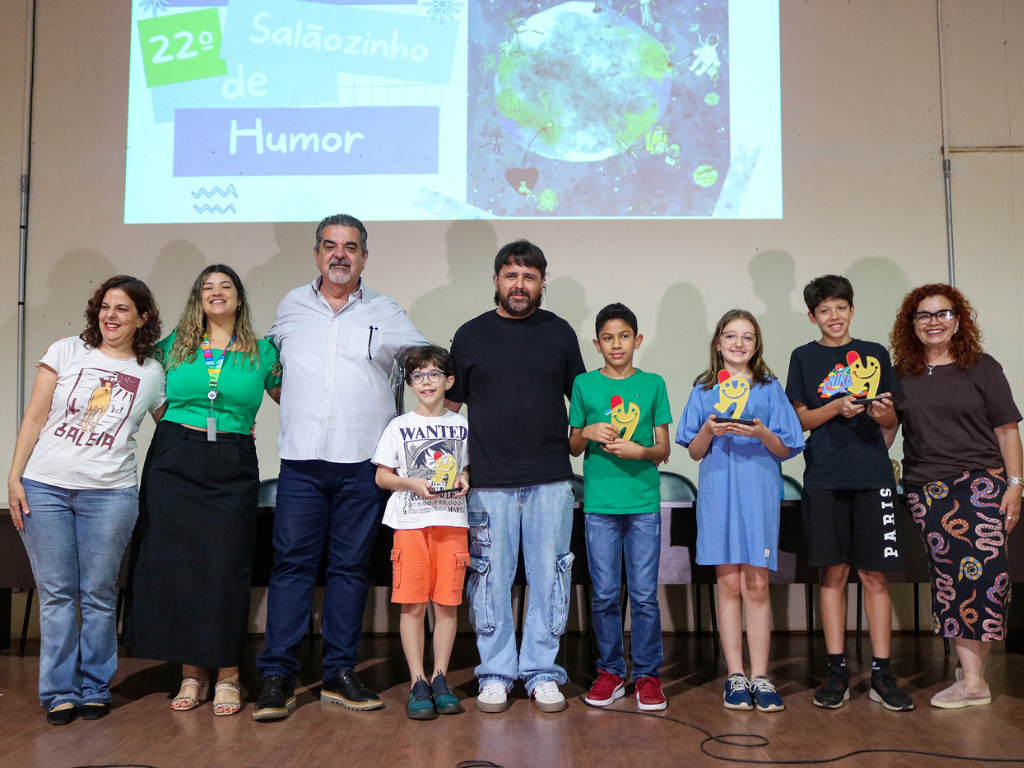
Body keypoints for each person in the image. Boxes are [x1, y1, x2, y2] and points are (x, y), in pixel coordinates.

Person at [253, 214, 427, 721]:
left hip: (361, 465)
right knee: (292, 567)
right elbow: (271, 368)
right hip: (301, 463)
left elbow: (425, 366)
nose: (339, 255)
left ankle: (339, 673)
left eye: (350, 247)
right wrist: (293, 403)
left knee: (350, 569)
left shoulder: (387, 312)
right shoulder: (291, 305)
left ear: (364, 258)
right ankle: (278, 676)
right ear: (316, 254)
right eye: (330, 245)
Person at [123, 265, 281, 716]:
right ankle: (191, 674)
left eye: (225, 286)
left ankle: (228, 674)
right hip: (175, 460)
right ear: (198, 298)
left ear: (239, 298)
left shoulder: (263, 353)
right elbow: (130, 375)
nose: (216, 292)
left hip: (232, 460)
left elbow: (297, 401)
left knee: (225, 568)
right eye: (207, 287)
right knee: (181, 567)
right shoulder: (171, 347)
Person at [7, 276, 165, 725]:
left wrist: (230, 423)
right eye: (105, 307)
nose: (110, 316)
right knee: (56, 594)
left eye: (122, 309)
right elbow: (34, 416)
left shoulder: (152, 372)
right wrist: (14, 477)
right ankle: (60, 691)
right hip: (45, 487)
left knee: (97, 593)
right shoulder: (65, 351)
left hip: (111, 494)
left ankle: (95, 687)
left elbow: (175, 423)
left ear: (142, 318)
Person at [447, 239, 586, 713]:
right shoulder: (470, 335)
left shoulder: (560, 332)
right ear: (496, 281)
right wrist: (455, 466)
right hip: (488, 483)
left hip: (551, 479)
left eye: (529, 276)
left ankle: (543, 672)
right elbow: (450, 410)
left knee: (550, 578)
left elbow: (581, 403)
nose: (520, 285)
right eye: (511, 275)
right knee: (489, 579)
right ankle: (496, 673)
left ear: (543, 283)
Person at [784, 275, 913, 711]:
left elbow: (893, 423)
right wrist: (836, 407)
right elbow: (800, 420)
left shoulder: (876, 353)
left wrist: (883, 413)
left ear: (852, 310)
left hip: (873, 477)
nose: (834, 316)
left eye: (841, 307)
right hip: (824, 478)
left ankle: (882, 673)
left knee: (875, 576)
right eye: (825, 310)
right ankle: (836, 671)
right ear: (812, 316)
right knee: (833, 574)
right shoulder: (803, 357)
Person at [889, 284, 1021, 709]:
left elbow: (1007, 431)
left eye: (943, 313)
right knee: (951, 581)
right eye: (924, 315)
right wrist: (875, 417)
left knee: (987, 579)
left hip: (983, 485)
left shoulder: (982, 367)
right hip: (928, 491)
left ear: (958, 320)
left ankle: (973, 681)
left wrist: (1016, 485)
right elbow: (888, 434)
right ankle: (973, 677)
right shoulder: (901, 374)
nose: (934, 322)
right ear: (911, 324)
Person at [676, 309, 804, 712]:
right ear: (718, 343)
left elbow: (785, 448)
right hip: (718, 496)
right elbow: (694, 451)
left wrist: (762, 432)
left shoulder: (770, 388)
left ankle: (761, 676)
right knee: (728, 585)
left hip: (758, 495)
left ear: (756, 345)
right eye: (730, 336)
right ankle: (735, 675)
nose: (738, 343)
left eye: (747, 337)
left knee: (757, 586)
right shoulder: (704, 389)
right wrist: (708, 430)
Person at [568, 303, 672, 711]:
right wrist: (588, 432)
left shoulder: (653, 384)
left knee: (644, 595)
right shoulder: (583, 384)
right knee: (605, 595)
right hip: (600, 505)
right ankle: (610, 671)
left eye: (624, 336)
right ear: (597, 344)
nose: (616, 344)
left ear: (637, 340)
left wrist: (639, 451)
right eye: (608, 338)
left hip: (643, 503)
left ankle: (647, 676)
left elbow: (662, 448)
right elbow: (573, 445)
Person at [372, 345, 470, 720]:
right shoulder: (399, 426)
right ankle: (418, 681)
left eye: (434, 374)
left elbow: (467, 468)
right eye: (418, 376)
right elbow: (382, 476)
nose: (426, 382)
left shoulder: (463, 425)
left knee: (446, 604)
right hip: (410, 524)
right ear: (411, 384)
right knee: (412, 604)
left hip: (452, 523)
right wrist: (410, 483)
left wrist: (465, 477)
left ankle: (440, 678)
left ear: (449, 381)